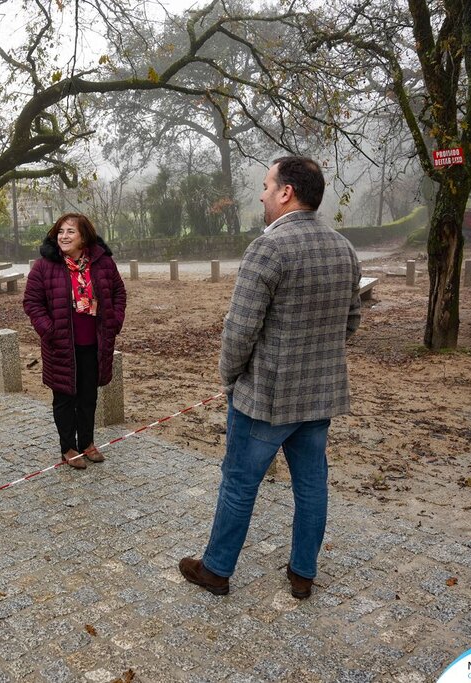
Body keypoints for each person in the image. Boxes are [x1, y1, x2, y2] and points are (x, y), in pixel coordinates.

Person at [179, 157, 361, 599]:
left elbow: (239, 329)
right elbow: (350, 323)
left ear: (286, 192)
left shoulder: (269, 247)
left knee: (239, 482)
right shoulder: (344, 248)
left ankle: (217, 569)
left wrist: (229, 379)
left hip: (266, 398)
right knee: (312, 485)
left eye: (266, 185)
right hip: (319, 395)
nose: (260, 194)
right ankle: (303, 574)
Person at [23, 213, 126, 469]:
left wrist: (113, 322)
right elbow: (31, 303)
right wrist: (49, 330)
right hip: (61, 344)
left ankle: (87, 442)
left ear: (84, 237)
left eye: (70, 231)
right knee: (65, 397)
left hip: (94, 342)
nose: (64, 236)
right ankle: (68, 448)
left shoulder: (102, 263)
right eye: (60, 232)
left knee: (88, 395)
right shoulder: (45, 266)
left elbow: (118, 292)